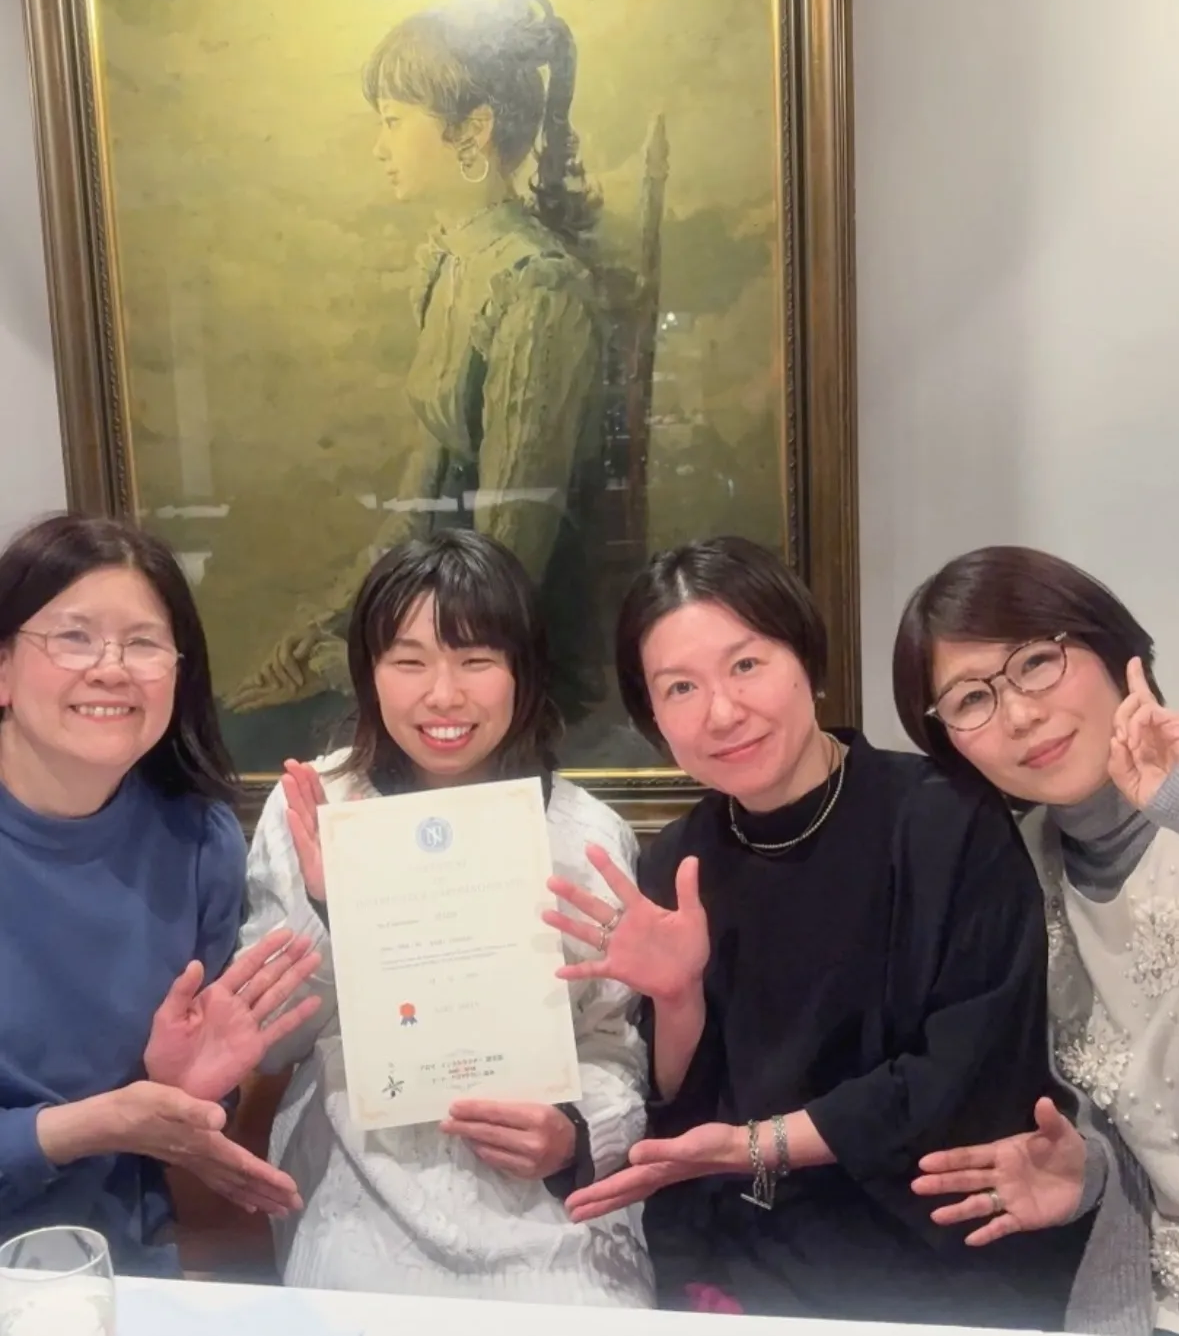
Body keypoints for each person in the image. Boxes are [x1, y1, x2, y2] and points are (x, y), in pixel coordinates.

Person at [542, 534, 1090, 1329]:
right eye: (680, 687)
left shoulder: (943, 817)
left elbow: (962, 1071)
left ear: (806, 658)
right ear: (652, 717)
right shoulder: (677, 861)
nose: (722, 711)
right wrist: (677, 996)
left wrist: (755, 1146)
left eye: (745, 664)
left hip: (940, 1255)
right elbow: (684, 1112)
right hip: (749, 1262)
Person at [239, 529, 653, 1306]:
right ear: (368, 673)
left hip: (545, 1207)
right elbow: (273, 1041)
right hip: (362, 1185)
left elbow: (611, 1043)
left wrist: (571, 1132)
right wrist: (334, 912)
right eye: (409, 661)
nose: (443, 695)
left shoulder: (585, 836)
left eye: (475, 660)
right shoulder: (317, 808)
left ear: (523, 671)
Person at [226, 0, 610, 742]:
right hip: (437, 623)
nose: (379, 147)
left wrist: (358, 659)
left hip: (506, 657)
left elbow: (511, 540)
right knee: (244, 715)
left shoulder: (538, 286)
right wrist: (329, 622)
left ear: (473, 131)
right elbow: (420, 491)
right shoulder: (448, 265)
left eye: (394, 121)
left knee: (265, 735)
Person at [0, 514, 323, 1275]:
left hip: (114, 1272)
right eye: (74, 637)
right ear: (3, 667)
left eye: (143, 643)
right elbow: (114, 1123)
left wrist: (185, 1091)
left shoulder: (199, 840)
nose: (111, 669)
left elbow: (179, 1116)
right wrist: (84, 1125)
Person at [894, 544, 1179, 1335]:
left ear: (1110, 645)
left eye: (1035, 662)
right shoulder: (1012, 872)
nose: (1019, 714)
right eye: (969, 698)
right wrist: (1091, 1171)